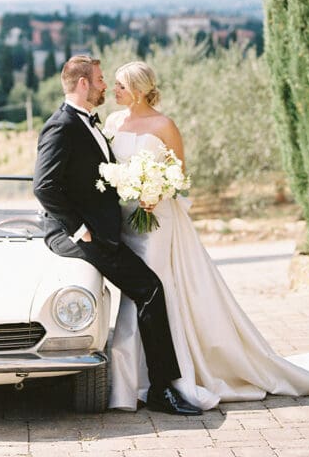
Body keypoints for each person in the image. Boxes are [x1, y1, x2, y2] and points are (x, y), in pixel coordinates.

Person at [105, 60, 309, 411]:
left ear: (138, 90)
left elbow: (179, 172)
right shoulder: (113, 123)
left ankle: (144, 382)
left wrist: (156, 191)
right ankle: (140, 378)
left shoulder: (164, 125)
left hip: (157, 220)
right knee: (140, 290)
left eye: (120, 85)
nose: (114, 90)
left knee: (150, 290)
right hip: (127, 219)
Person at [32, 54, 202, 416]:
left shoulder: (91, 123)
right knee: (150, 289)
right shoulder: (61, 126)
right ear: (82, 84)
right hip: (83, 236)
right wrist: (80, 230)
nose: (105, 85)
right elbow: (44, 187)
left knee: (147, 290)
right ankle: (160, 390)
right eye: (100, 80)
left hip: (110, 230)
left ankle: (149, 385)